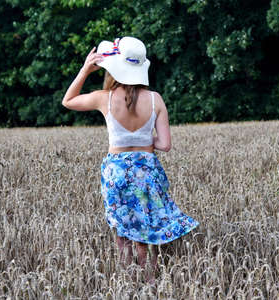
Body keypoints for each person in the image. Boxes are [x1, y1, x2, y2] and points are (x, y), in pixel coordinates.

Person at [61, 37, 199, 282]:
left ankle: (126, 284)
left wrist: (85, 68)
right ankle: (152, 282)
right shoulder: (156, 99)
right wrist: (144, 141)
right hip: (147, 170)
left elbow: (68, 101)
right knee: (147, 229)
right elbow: (165, 144)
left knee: (122, 232)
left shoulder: (104, 98)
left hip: (117, 172)